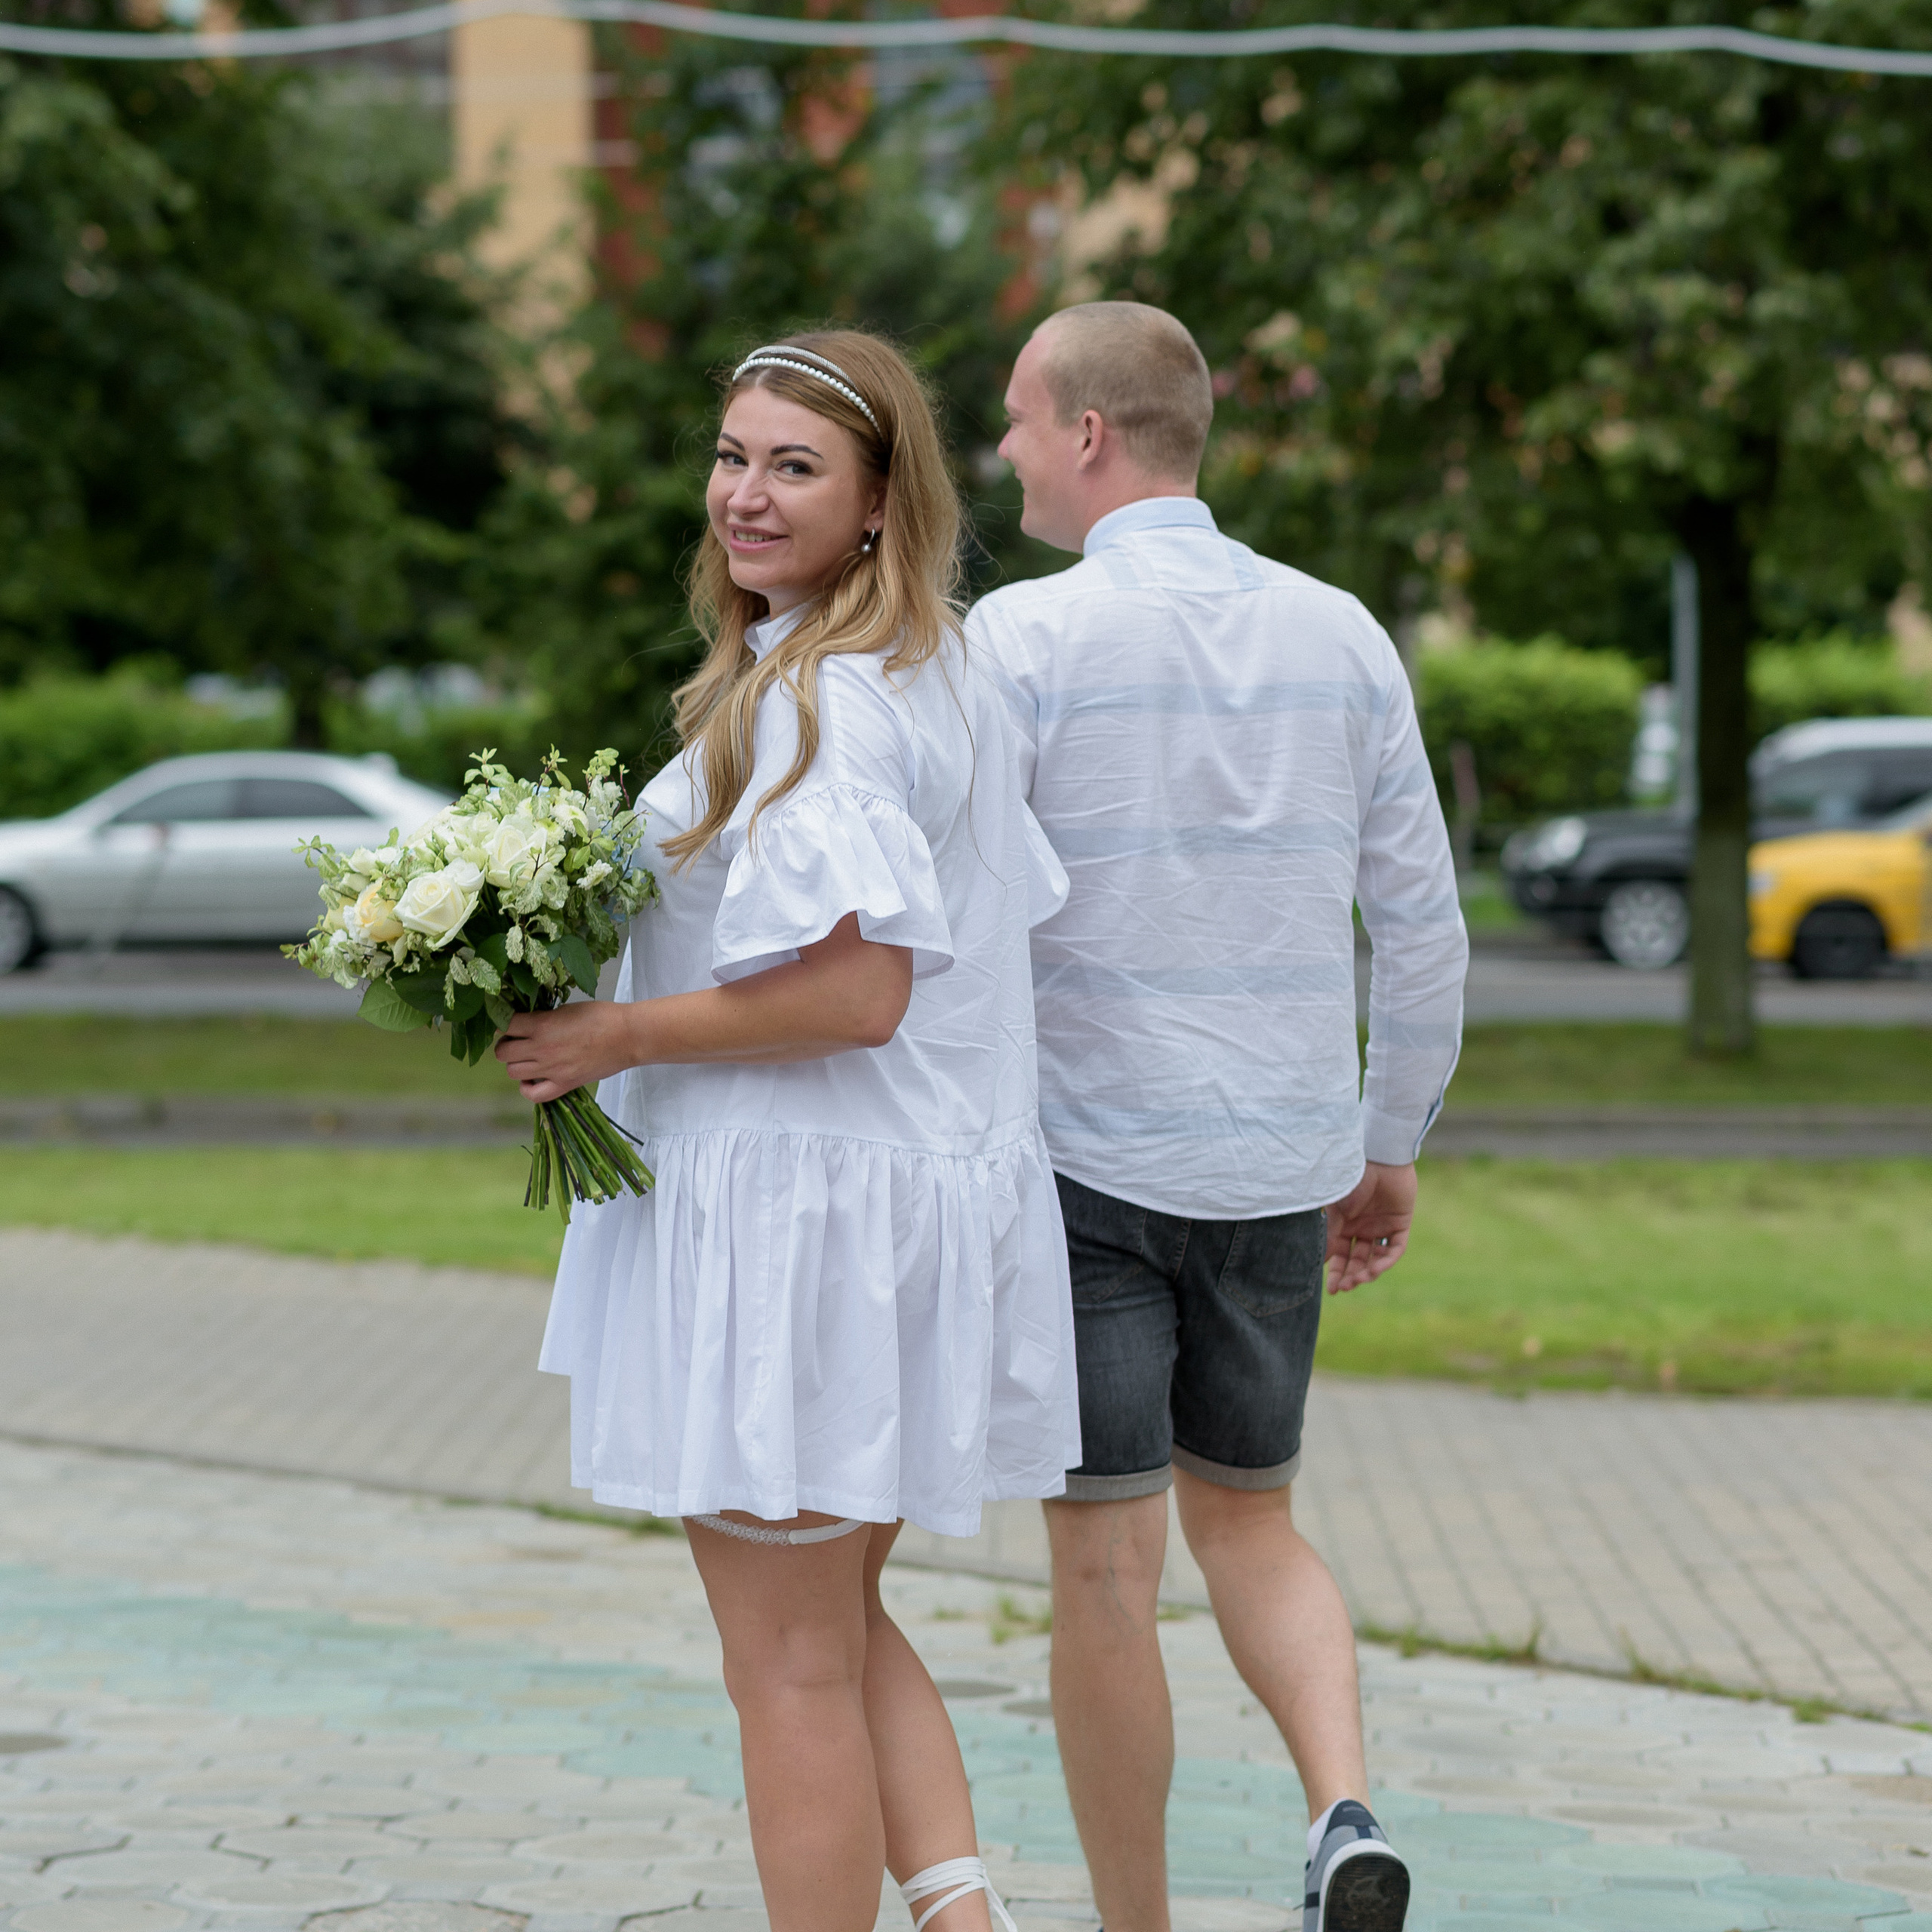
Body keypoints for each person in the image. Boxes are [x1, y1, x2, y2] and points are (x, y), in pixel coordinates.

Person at [497, 331, 1081, 1932]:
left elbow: (860, 988)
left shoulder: (823, 698)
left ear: (883, 498)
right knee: (834, 1621)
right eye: (732, 455)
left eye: (794, 466)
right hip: (889, 1209)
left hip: (802, 1227)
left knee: (788, 1664)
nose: (744, 494)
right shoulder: (929, 667)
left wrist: (608, 1031)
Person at [965, 302, 1468, 1932]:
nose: (1005, 450)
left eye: (1020, 421)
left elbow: (959, 915)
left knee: (1107, 1571)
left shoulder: (1018, 644)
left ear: (1091, 434)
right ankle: (1339, 1807)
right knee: (1252, 1519)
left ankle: (1137, 1926)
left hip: (1080, 1161)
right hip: (1277, 1162)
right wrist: (1384, 1140)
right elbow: (1422, 922)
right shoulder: (1341, 633)